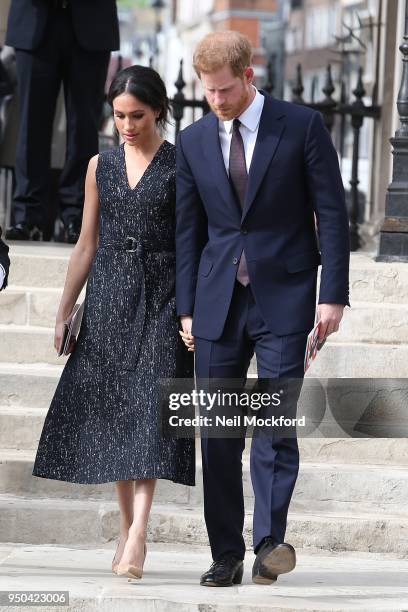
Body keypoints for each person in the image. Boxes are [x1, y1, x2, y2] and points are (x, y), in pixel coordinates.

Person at [176, 31, 350, 587]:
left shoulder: (301, 126)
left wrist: (333, 294)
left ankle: (270, 542)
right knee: (219, 434)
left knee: (275, 427)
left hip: (287, 295)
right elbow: (188, 231)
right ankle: (225, 553)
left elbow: (333, 212)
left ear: (249, 76)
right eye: (208, 92)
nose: (217, 101)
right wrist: (185, 308)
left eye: (225, 90)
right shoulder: (194, 140)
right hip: (216, 302)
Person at [32, 65, 195, 579]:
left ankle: (140, 533)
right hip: (108, 299)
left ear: (159, 111)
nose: (126, 124)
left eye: (137, 115)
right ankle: (126, 529)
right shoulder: (98, 165)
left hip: (163, 298)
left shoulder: (181, 164)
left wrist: (191, 308)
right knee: (116, 416)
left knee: (150, 415)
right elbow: (86, 243)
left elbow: (194, 241)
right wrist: (64, 310)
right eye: (119, 115)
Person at [4, 0, 120, 243]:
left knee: (84, 127)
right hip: (34, 18)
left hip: (92, 19)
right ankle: (27, 216)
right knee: (30, 125)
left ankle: (78, 217)